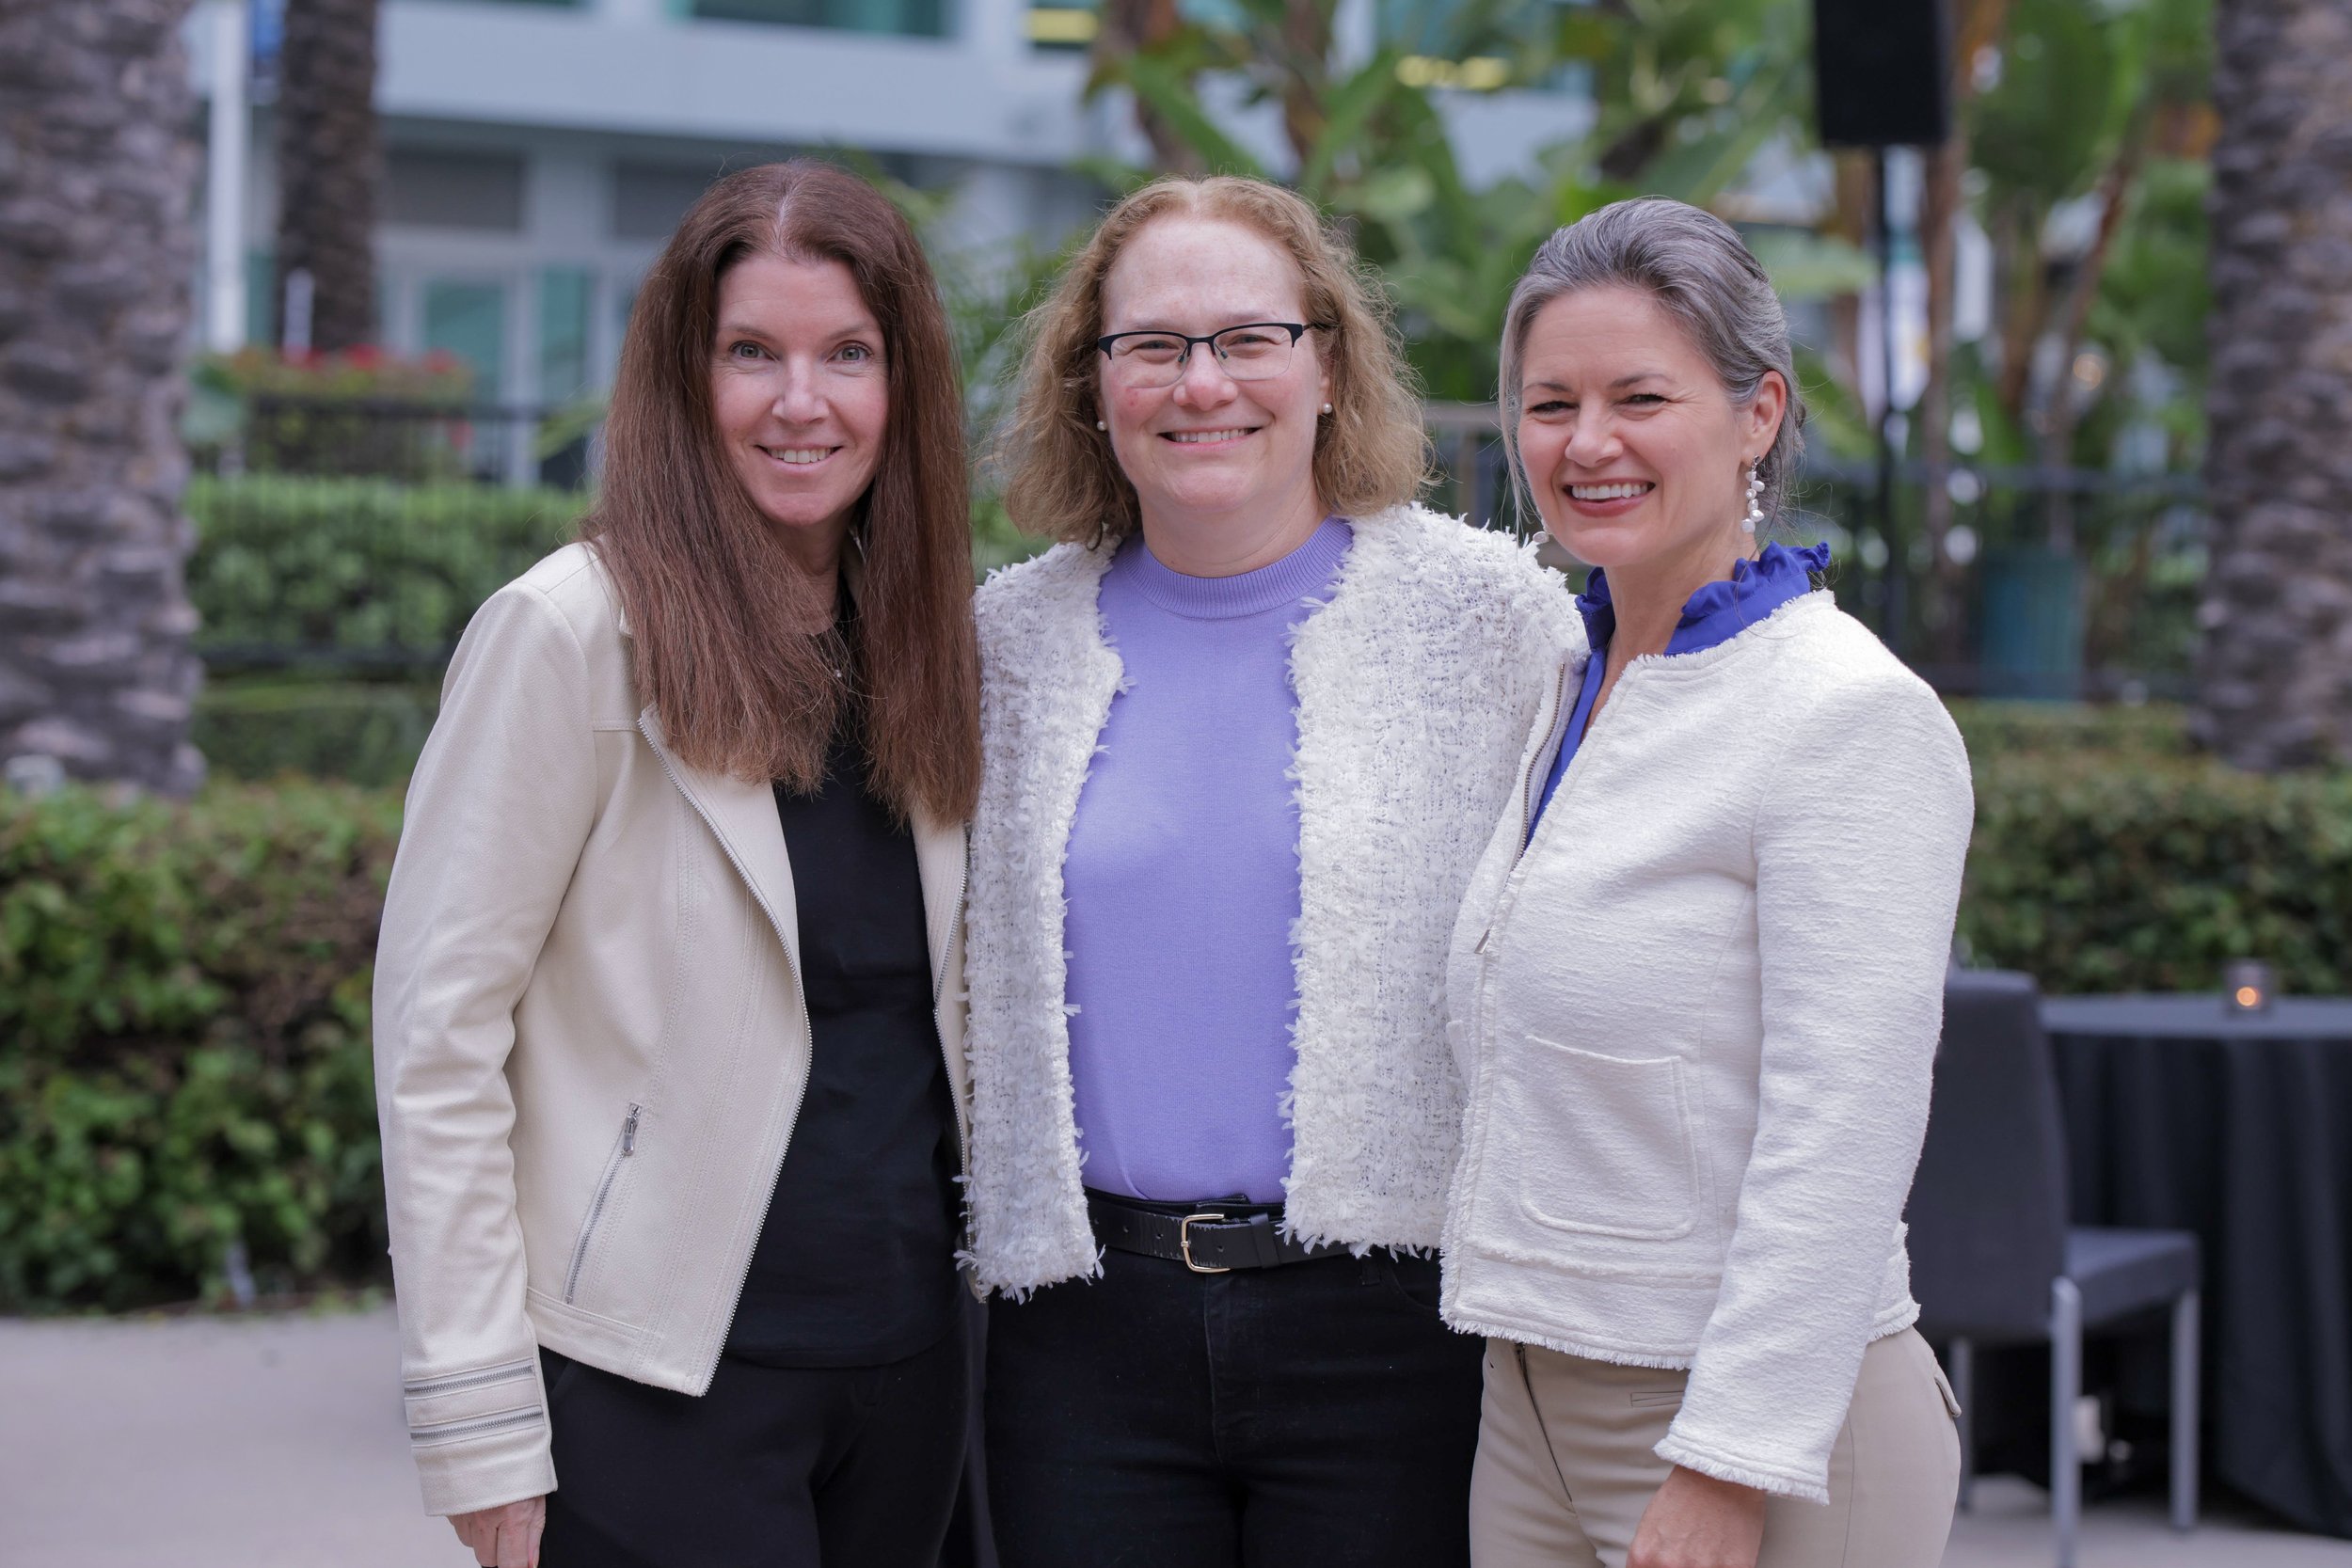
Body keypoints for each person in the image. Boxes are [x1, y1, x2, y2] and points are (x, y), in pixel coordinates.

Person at [960, 173, 1581, 1568]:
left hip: (1393, 1327)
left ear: (1328, 363)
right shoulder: (1005, 645)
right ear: (1091, 384)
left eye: (1250, 337)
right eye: (1153, 346)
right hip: (1077, 1335)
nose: (1203, 384)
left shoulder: (1490, 624)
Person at [372, 160, 981, 1568]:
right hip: (649, 1391)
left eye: (848, 355)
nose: (799, 402)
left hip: (912, 1382)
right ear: (681, 375)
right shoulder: (572, 632)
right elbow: (437, 1037)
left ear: (905, 385)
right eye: (750, 354)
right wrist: (476, 1416)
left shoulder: (933, 643)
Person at [1439, 196, 1973, 1568]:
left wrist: (1727, 1465)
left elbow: (1843, 1129)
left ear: (1759, 415)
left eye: (1639, 396)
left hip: (1749, 1435)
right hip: (1531, 1405)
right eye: (1548, 402)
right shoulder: (1574, 673)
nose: (1586, 442)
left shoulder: (1844, 711)